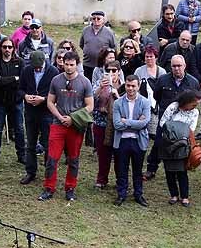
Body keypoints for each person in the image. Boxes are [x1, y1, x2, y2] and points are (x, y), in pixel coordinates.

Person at [41, 51, 93, 202]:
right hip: (58, 124)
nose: (69, 68)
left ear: (77, 65)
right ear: (62, 63)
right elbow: (50, 101)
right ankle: (49, 188)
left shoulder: (85, 82)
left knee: (73, 159)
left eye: (72, 65)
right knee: (52, 158)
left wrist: (72, 118)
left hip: (76, 125)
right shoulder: (56, 80)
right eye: (66, 64)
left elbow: (90, 106)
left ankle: (70, 188)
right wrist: (59, 117)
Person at [145, 55, 200, 181]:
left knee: (182, 145)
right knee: (159, 143)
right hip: (165, 120)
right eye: (174, 66)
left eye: (179, 66)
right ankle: (151, 169)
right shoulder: (163, 80)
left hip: (183, 123)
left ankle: (182, 169)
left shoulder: (193, 82)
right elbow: (157, 96)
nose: (176, 69)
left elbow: (195, 101)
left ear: (184, 66)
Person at [18, 50, 59, 185]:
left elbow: (57, 94)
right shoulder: (26, 70)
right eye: (34, 67)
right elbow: (20, 89)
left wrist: (44, 99)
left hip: (46, 112)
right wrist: (25, 96)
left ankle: (49, 173)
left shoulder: (53, 72)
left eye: (38, 67)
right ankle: (31, 172)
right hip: (30, 111)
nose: (36, 69)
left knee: (48, 144)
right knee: (30, 143)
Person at [112, 74, 150, 206]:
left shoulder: (145, 102)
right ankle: (121, 194)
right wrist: (135, 123)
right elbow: (117, 124)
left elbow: (144, 123)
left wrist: (126, 121)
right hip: (121, 141)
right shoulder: (117, 103)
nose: (130, 88)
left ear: (138, 86)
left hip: (138, 142)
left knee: (138, 170)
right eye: (128, 86)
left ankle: (138, 194)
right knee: (121, 170)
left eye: (133, 86)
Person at [0, 38, 25, 167]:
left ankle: (22, 155)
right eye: (4, 47)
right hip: (0, 101)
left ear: (13, 48)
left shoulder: (20, 63)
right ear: (0, 48)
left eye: (9, 47)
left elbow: (22, 82)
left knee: (19, 129)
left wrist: (4, 80)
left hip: (16, 101)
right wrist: (14, 78)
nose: (7, 49)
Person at [159, 90, 201, 207]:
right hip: (168, 143)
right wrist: (175, 132)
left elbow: (191, 128)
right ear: (186, 101)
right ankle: (173, 195)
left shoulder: (195, 112)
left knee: (182, 172)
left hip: (183, 145)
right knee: (169, 172)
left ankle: (185, 197)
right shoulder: (173, 107)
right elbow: (163, 123)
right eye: (193, 104)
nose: (195, 107)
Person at [92, 60, 122, 190]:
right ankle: (102, 179)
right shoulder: (99, 85)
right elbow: (91, 99)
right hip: (100, 123)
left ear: (119, 72)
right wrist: (100, 88)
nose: (111, 73)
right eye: (108, 70)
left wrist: (116, 94)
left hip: (118, 125)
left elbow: (127, 104)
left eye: (114, 70)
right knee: (103, 154)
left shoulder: (125, 86)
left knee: (119, 155)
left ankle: (120, 180)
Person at [79, 10, 117, 81]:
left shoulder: (109, 32)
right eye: (94, 18)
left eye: (98, 18)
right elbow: (81, 44)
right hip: (87, 64)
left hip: (101, 66)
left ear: (103, 20)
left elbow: (113, 48)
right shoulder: (85, 30)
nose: (96, 20)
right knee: (88, 83)